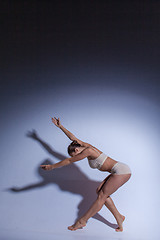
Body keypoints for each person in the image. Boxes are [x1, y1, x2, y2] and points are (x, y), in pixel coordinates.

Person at [41, 117, 132, 232]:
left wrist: (51, 167)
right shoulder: (84, 145)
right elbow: (72, 138)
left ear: (77, 151)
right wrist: (60, 127)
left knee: (101, 196)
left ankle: (82, 221)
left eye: (74, 155)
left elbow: (69, 161)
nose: (74, 158)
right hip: (117, 170)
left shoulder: (88, 150)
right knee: (100, 192)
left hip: (121, 171)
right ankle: (119, 217)